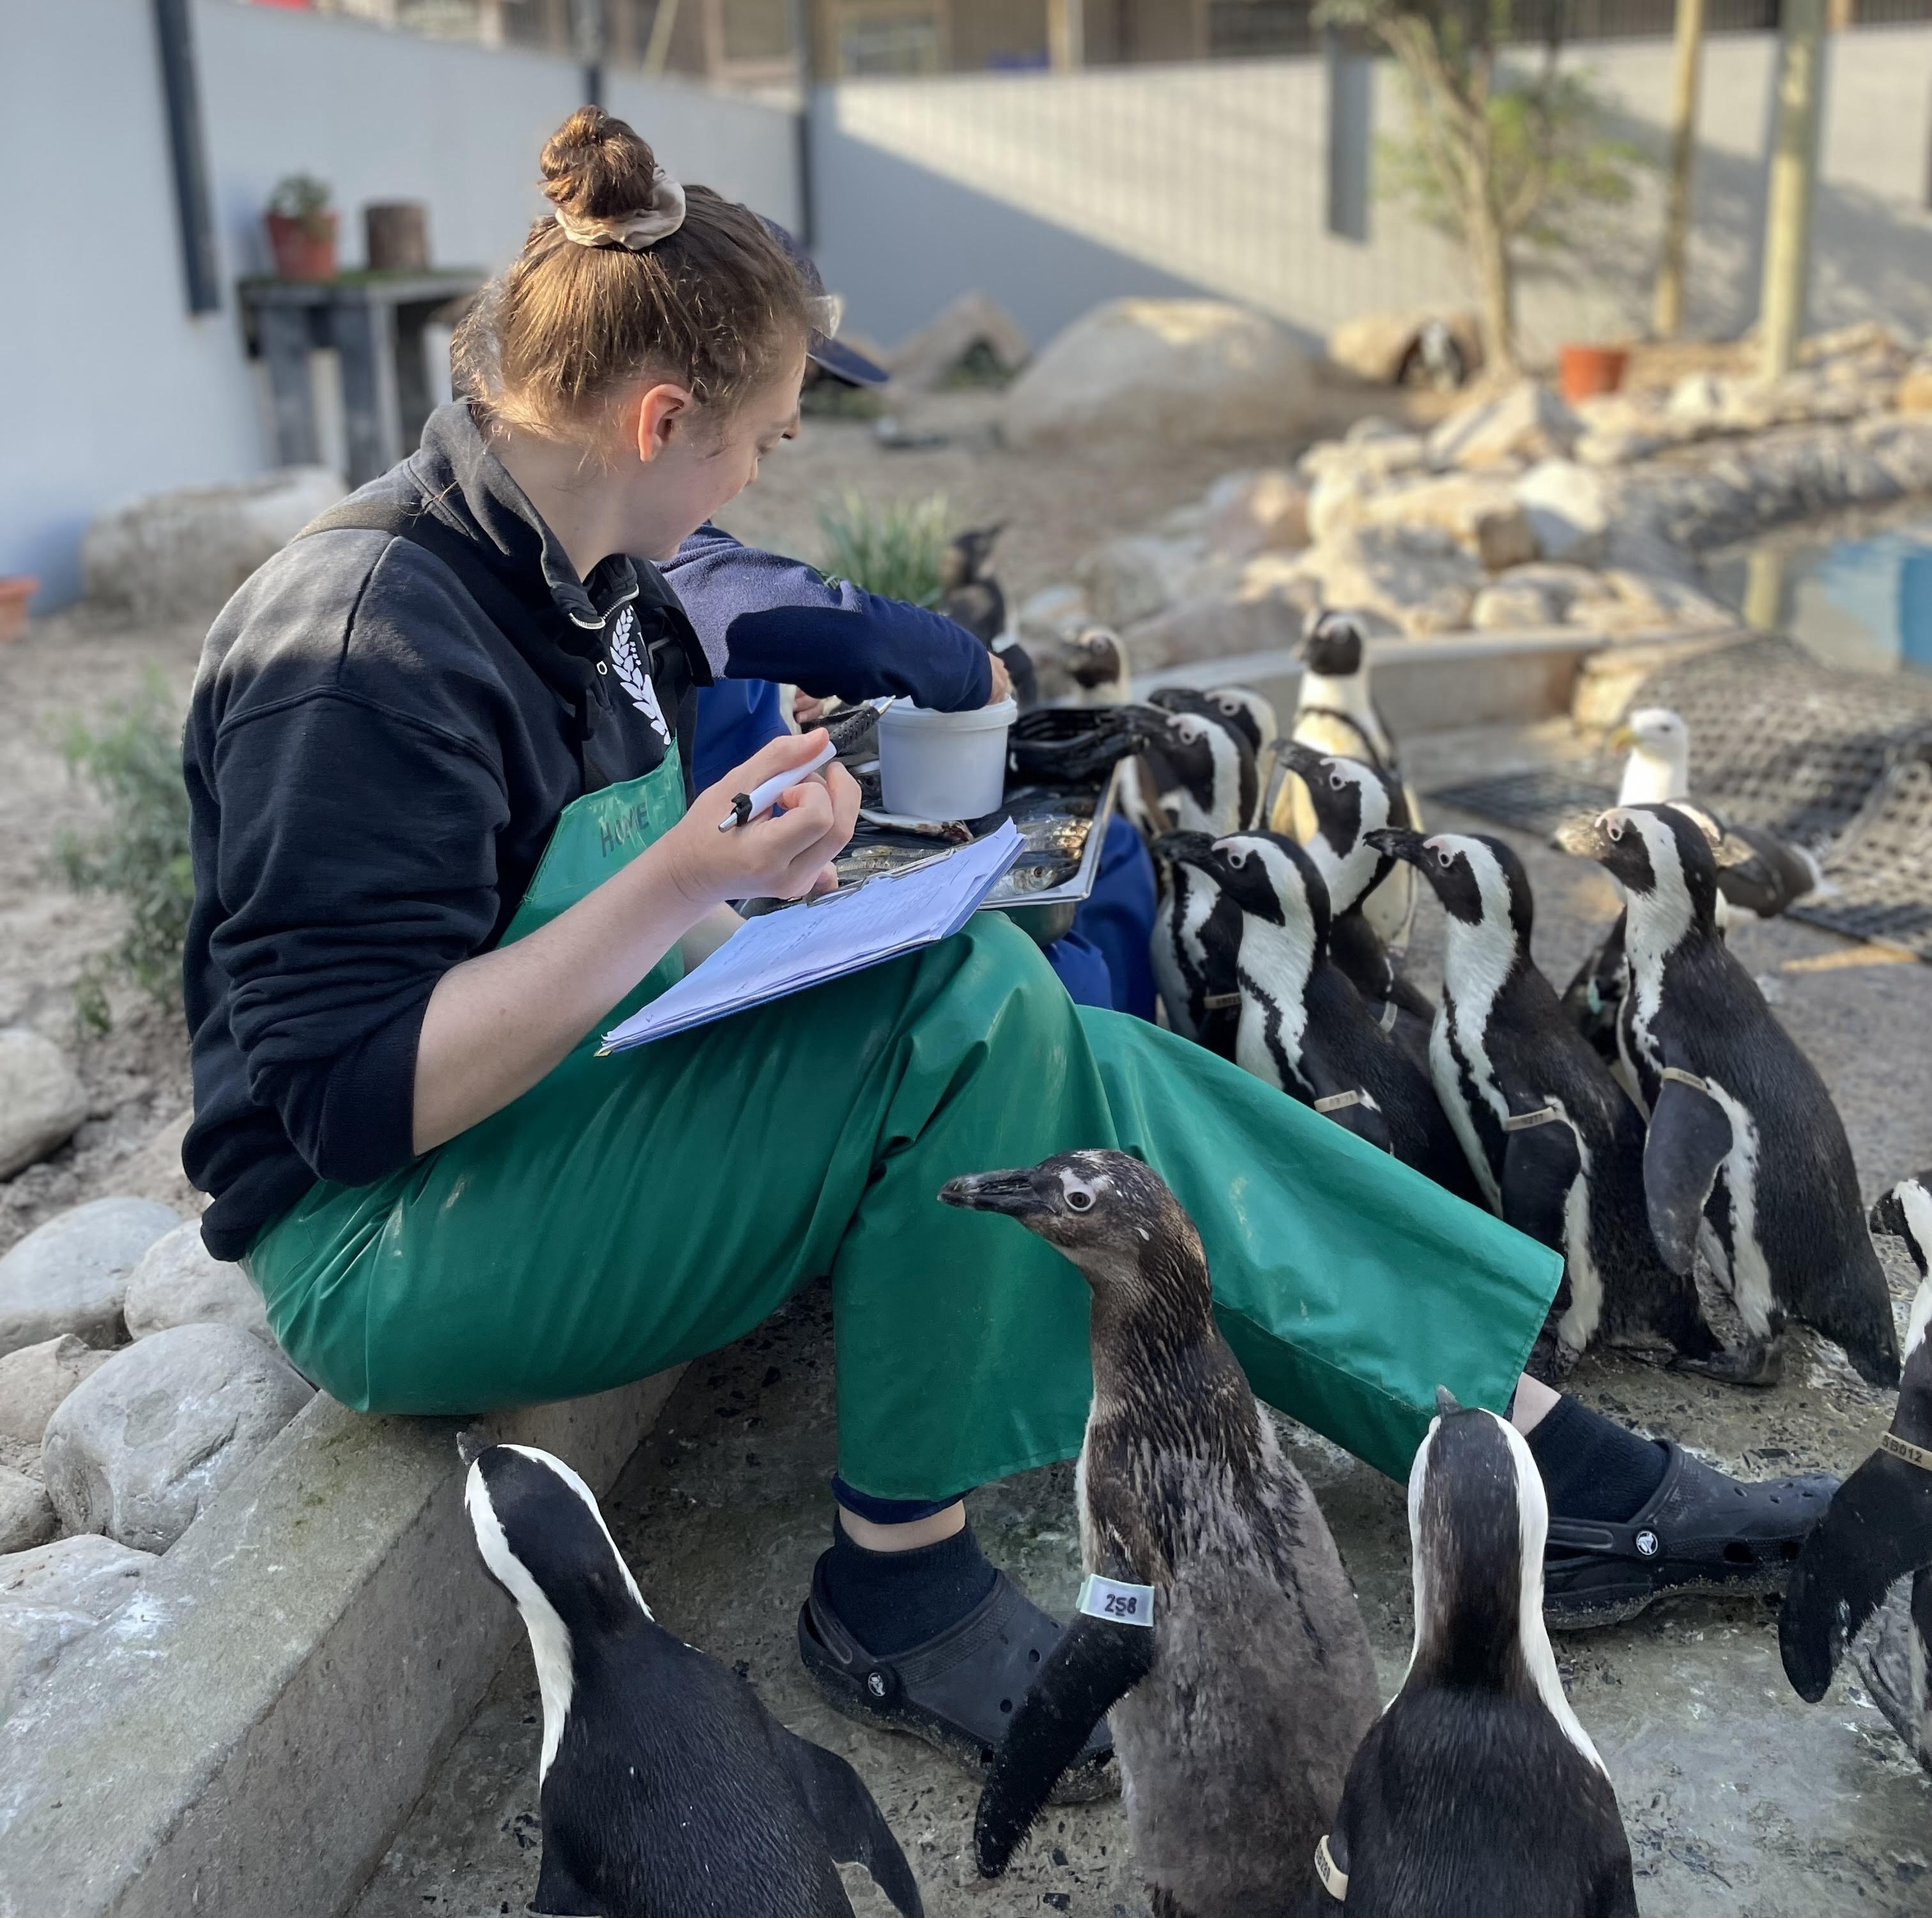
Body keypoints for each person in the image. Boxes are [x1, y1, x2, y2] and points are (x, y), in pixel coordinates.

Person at [181, 109, 1827, 1788]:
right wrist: (680, 887)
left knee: (1083, 1050)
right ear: (661, 417)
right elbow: (349, 1104)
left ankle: (1544, 1470)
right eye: (760, 440)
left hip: (546, 1127)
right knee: (967, 1006)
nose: (764, 476)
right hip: (386, 1241)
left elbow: (586, 926)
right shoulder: (367, 648)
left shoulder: (603, 587)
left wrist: (765, 891)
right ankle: (898, 1587)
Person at [672, 254, 1156, 1022]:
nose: (798, 424)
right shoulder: (640, 540)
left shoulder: (667, 513)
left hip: (790, 813)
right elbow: (816, 619)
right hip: (743, 865)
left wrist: (783, 696)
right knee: (1059, 967)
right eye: (792, 385)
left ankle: (1139, 1067)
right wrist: (971, 665)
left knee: (1115, 852)